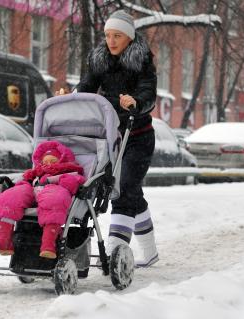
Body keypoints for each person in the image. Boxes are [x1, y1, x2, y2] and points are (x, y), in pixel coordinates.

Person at [71, 10, 159, 267]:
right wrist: (73, 94)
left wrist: (137, 101)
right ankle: (150, 251)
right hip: (111, 135)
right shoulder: (100, 60)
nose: (111, 41)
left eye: (117, 36)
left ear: (129, 38)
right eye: (108, 35)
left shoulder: (141, 62)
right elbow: (87, 84)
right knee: (131, 193)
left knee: (124, 191)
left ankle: (114, 249)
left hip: (139, 136)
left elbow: (148, 92)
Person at [0, 140, 86, 259]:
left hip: (53, 192)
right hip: (33, 193)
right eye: (45, 161)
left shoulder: (70, 172)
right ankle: (3, 241)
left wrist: (57, 179)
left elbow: (75, 183)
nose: (48, 164)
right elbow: (22, 181)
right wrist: (24, 181)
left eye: (53, 161)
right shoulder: (36, 174)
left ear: (62, 161)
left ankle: (49, 244)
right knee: (11, 197)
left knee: (54, 199)